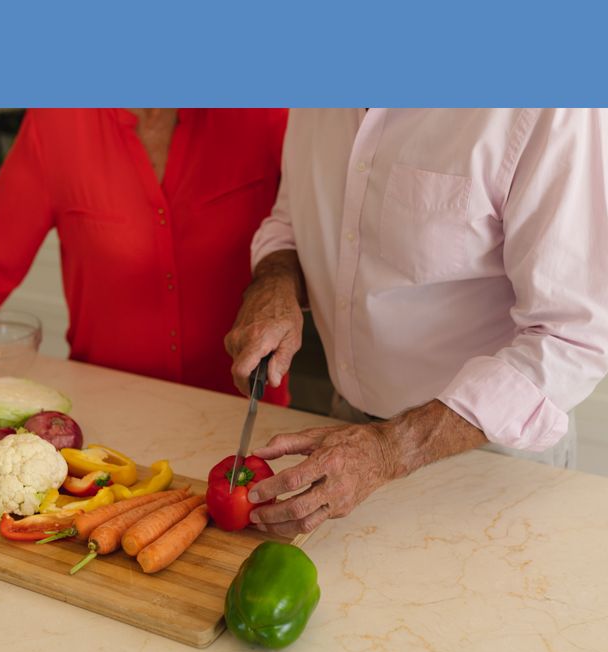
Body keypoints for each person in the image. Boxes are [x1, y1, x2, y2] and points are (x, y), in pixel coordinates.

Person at [225, 108, 608, 537]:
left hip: (492, 461)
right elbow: (292, 218)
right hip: (346, 433)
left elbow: (573, 336)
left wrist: (390, 449)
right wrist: (275, 280)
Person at [0, 108, 290, 402]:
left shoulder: (267, 111)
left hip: (241, 405)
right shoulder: (59, 121)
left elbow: (314, 234)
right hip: (112, 407)